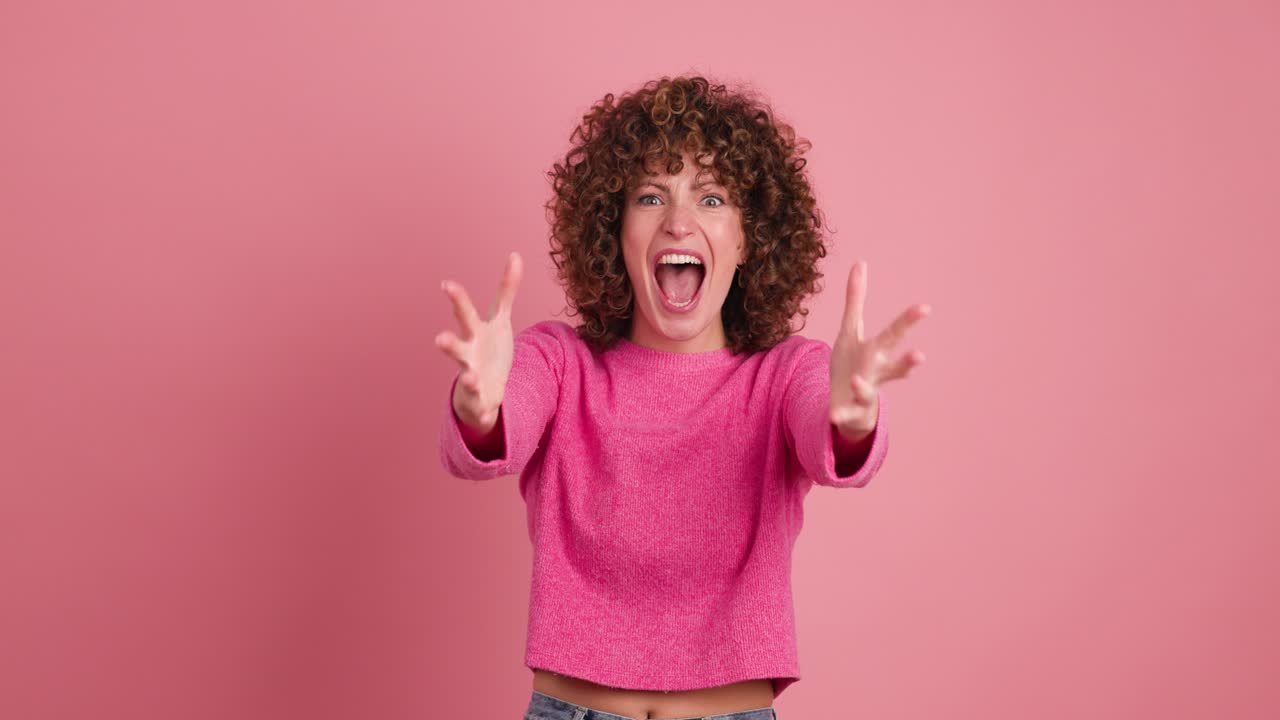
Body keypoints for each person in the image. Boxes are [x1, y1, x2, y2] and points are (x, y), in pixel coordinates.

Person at [435, 76, 930, 720]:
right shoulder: (559, 362)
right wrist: (479, 409)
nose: (679, 220)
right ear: (614, 233)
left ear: (749, 240)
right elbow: (498, 427)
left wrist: (854, 421)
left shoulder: (783, 375)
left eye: (712, 197)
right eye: (650, 195)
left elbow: (827, 428)